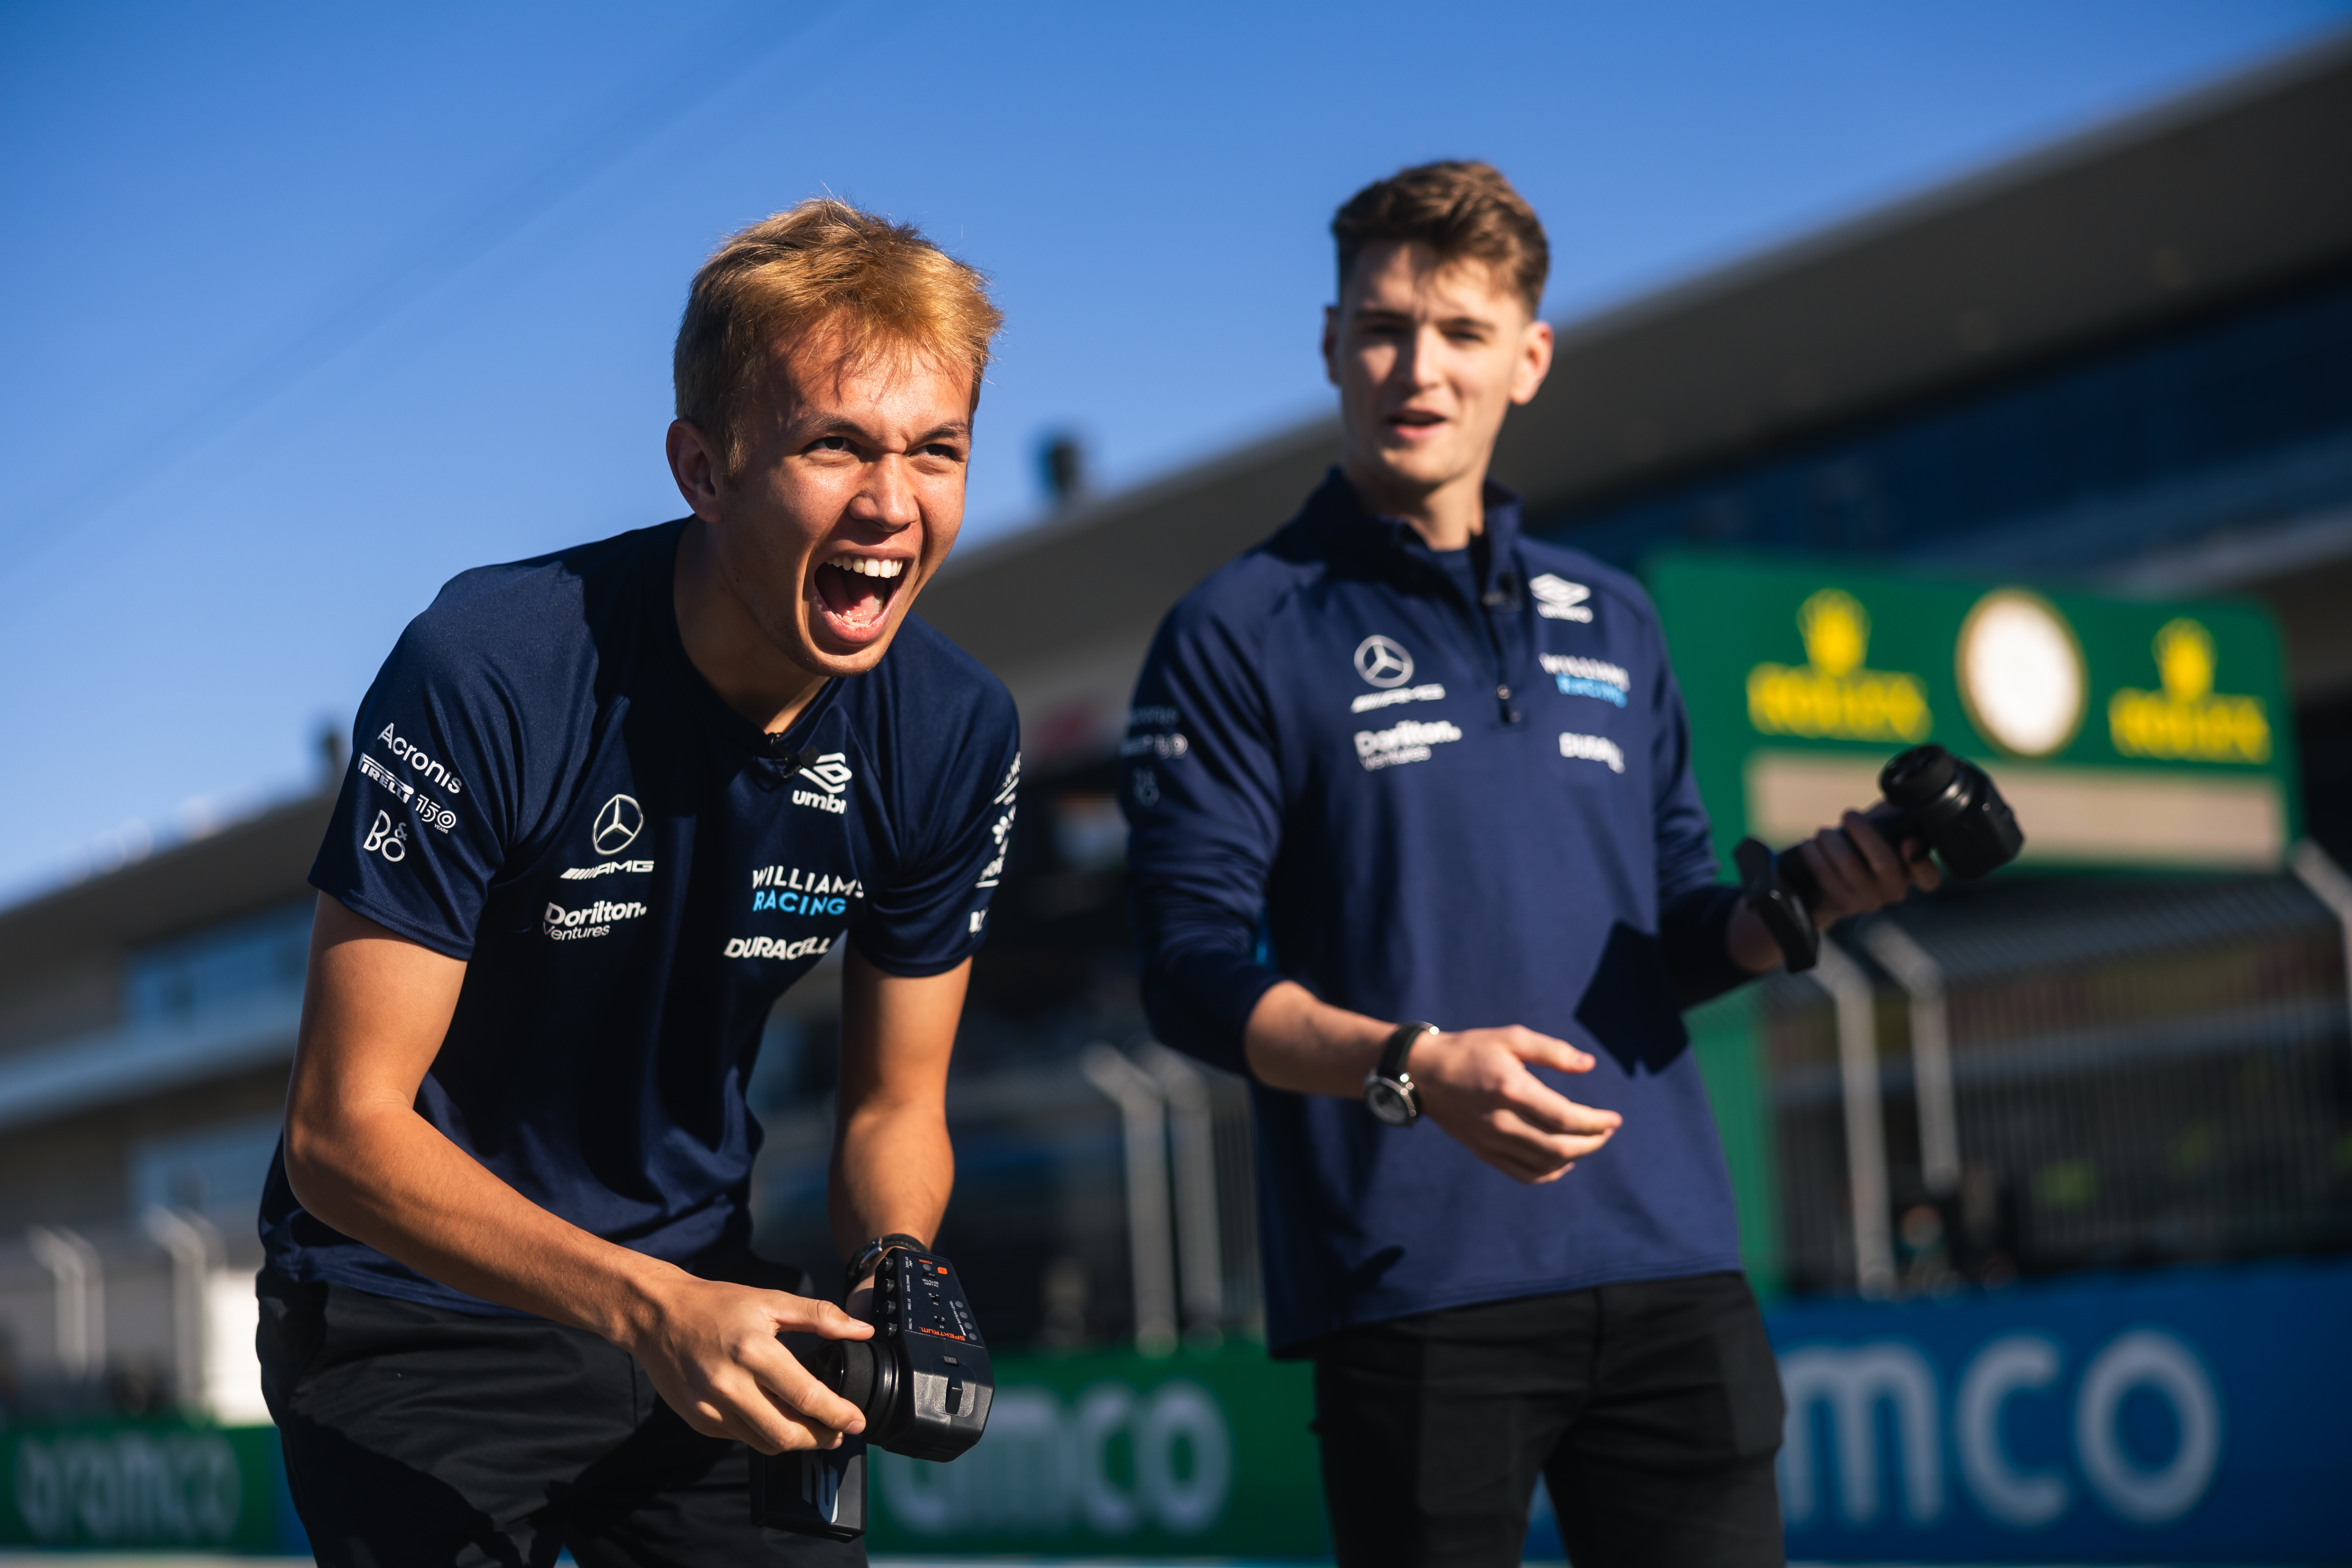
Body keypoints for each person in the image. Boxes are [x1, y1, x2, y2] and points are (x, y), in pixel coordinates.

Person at [1121, 162, 1935, 1568]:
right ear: (1330, 344)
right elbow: (1189, 973)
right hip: (1415, 1286)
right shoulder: (1240, 629)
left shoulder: (1611, 615)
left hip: (1673, 1264)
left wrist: (1800, 902)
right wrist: (1413, 1068)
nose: (1416, 368)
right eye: (1382, 328)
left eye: (1461, 332)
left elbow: (1682, 929)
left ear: (1530, 359)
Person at [256, 198, 1021, 1567]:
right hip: (416, 1307)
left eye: (937, 450)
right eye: (835, 442)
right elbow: (339, 1133)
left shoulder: (953, 730)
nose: (893, 503)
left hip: (703, 1296)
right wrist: (645, 1304)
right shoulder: (492, 665)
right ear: (704, 468)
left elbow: (896, 1106)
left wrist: (895, 1269)